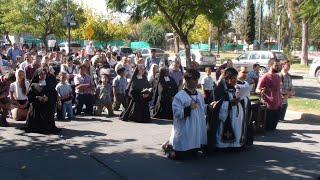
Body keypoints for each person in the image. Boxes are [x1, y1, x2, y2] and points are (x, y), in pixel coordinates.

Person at [164, 69, 207, 160]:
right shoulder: (179, 96)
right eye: (193, 79)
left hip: (195, 129)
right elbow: (177, 114)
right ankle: (168, 147)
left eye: (197, 79)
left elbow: (202, 109)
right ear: (186, 80)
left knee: (193, 154)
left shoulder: (199, 95)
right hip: (184, 129)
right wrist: (189, 108)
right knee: (179, 157)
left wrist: (209, 106)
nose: (195, 82)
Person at [206, 67, 246, 150]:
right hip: (224, 119)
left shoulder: (233, 87)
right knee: (222, 130)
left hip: (234, 117)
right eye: (233, 79)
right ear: (227, 78)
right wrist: (230, 104)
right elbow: (216, 106)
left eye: (236, 79)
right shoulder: (219, 90)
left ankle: (234, 144)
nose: (235, 81)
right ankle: (223, 146)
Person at [22, 67, 60, 134]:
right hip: (37, 107)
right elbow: (30, 97)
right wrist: (40, 98)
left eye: (44, 74)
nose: (43, 76)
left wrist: (48, 98)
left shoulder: (49, 85)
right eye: (41, 74)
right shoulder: (33, 85)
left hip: (47, 106)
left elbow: (54, 95)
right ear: (37, 75)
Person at [256, 58, 282, 131]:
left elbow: (279, 91)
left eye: (278, 66)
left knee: (273, 128)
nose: (278, 67)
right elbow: (257, 90)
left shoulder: (278, 77)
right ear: (271, 65)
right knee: (268, 128)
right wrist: (261, 91)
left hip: (277, 105)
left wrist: (280, 102)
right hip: (268, 106)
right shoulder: (265, 76)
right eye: (276, 65)